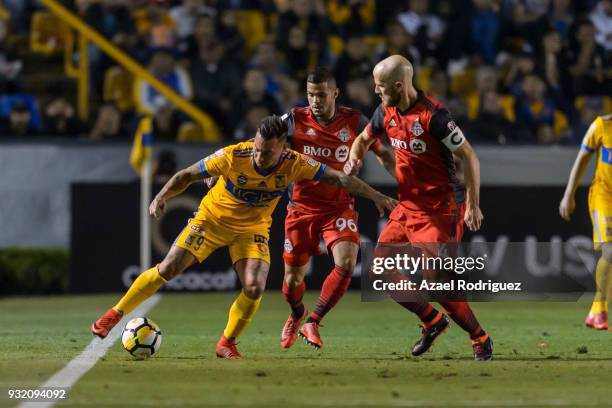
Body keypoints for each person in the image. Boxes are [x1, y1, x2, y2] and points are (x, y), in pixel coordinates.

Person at [91, 115, 397, 359]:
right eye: (259, 147)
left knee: (253, 287)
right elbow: (186, 175)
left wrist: (376, 195)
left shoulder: (295, 162)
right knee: (169, 268)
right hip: (211, 221)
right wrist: (161, 197)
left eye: (268, 151)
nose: (261, 156)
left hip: (252, 230)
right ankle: (113, 315)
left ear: (283, 147)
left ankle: (227, 343)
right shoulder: (234, 155)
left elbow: (340, 178)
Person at [344, 55, 492, 361]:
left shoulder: (435, 117)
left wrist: (473, 205)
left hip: (441, 210)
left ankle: (479, 338)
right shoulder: (384, 111)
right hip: (408, 207)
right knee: (379, 270)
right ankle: (432, 321)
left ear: (399, 85)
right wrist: (354, 157)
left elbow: (469, 157)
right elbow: (361, 140)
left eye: (380, 85)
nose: (375, 90)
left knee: (437, 284)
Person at [279, 67, 395, 349]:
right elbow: (262, 141)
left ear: (335, 93)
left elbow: (381, 153)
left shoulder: (354, 121)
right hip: (301, 209)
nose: (315, 101)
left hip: (338, 207)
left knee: (346, 261)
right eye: (310, 95)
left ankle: (313, 321)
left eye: (320, 95)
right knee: (292, 280)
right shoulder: (294, 119)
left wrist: (406, 180)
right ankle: (297, 312)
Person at [559, 114, 612, 330]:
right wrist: (568, 194)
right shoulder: (602, 125)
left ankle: (595, 312)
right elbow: (582, 159)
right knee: (609, 251)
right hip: (604, 196)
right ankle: (599, 308)